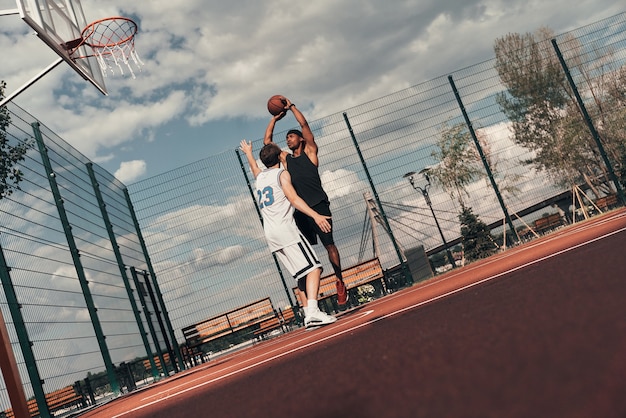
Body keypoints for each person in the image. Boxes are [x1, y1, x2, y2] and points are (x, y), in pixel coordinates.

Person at [239, 139, 337, 329]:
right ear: (278, 157)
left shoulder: (260, 177)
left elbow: (253, 168)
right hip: (286, 230)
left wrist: (248, 153)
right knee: (315, 268)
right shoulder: (281, 175)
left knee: (302, 275)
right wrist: (316, 215)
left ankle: (308, 313)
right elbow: (293, 199)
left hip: (271, 234)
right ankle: (313, 312)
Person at [263, 95, 348, 306]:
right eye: (287, 138)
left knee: (329, 246)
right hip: (300, 211)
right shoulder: (285, 158)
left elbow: (304, 124)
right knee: (302, 250)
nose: (288, 139)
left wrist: (291, 107)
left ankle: (339, 280)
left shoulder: (310, 153)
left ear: (301, 139)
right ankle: (309, 297)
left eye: (292, 136)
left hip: (319, 204)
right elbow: (267, 143)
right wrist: (275, 118)